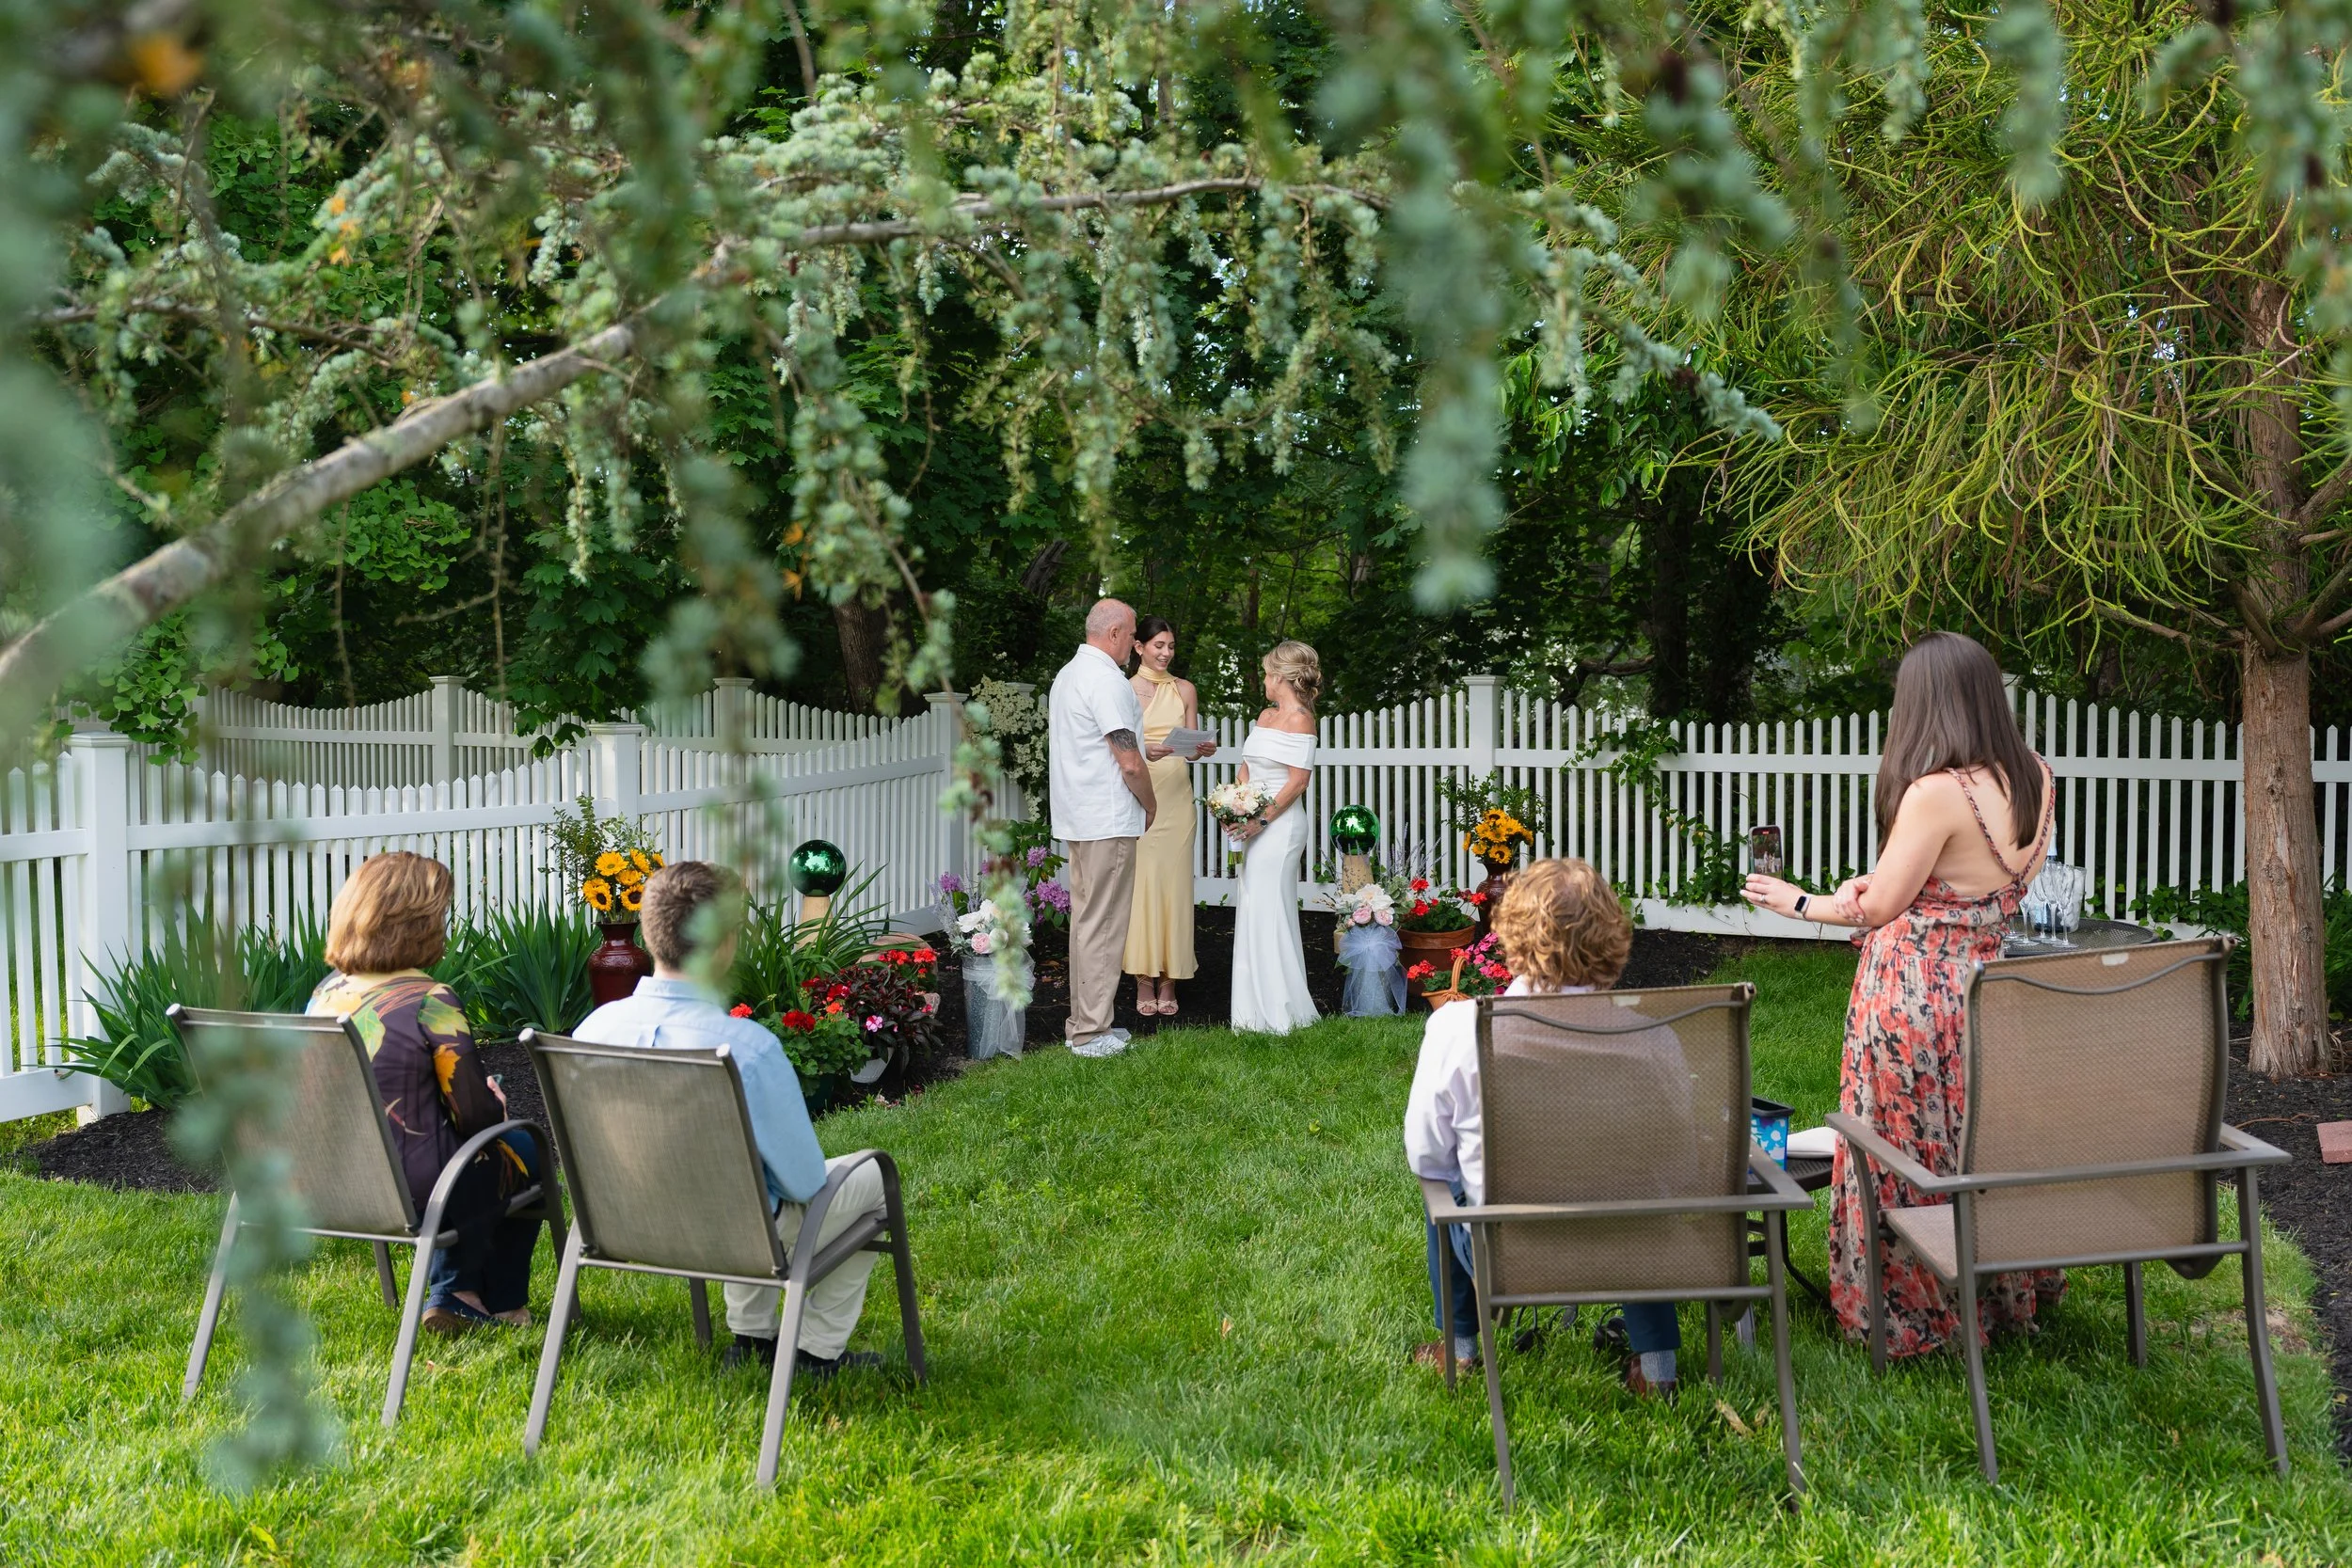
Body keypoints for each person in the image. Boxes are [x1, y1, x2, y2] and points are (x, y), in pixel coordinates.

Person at [1741, 629, 2061, 1358]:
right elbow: (1959, 887)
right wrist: (1880, 887)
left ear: (1924, 704)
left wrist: (1796, 901)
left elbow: (1880, 908)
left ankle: (1913, 1315)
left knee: (1893, 1143)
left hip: (1913, 996)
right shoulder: (2039, 777)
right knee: (1967, 1141)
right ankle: (1995, 1296)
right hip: (1986, 987)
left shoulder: (1936, 790)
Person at [572, 861, 888, 1377]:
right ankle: (813, 1353)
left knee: (739, 1181)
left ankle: (752, 1340)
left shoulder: (593, 1030)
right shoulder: (748, 1048)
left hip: (621, 1224)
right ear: (724, 944)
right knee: (870, 1179)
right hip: (734, 1228)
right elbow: (806, 1182)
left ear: (651, 934)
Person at [1403, 859, 1692, 1395]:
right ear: (1612, 936)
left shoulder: (1456, 1029)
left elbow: (1427, 1158)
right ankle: (1656, 1369)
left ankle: (1463, 1352)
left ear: (1511, 934)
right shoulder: (1653, 1038)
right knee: (1646, 1194)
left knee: (1440, 1190)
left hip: (1508, 1252)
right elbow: (1680, 1161)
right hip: (1631, 1245)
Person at [307, 851, 546, 1336]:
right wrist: (495, 1101)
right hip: (411, 1193)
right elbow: (476, 1117)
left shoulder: (325, 995)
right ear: (420, 925)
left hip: (330, 1180)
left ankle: (457, 1292)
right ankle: (493, 1302)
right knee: (522, 1148)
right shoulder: (431, 1000)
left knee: (455, 1153)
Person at [1048, 598, 1157, 1057]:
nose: (1134, 645)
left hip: (1081, 817)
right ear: (1113, 634)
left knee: (1088, 924)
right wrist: (1150, 806)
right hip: (1108, 819)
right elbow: (1129, 760)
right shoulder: (1107, 679)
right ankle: (1091, 1033)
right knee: (1105, 925)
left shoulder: (1069, 674)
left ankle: (1086, 1023)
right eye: (1132, 635)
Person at [1123, 615, 1215, 1017]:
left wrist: (1202, 749)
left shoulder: (1185, 689)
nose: (1165, 652)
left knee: (1175, 888)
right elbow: (1118, 748)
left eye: (1170, 646)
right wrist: (1147, 750)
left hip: (1177, 797)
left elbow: (1191, 746)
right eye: (1158, 645)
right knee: (1143, 887)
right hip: (1140, 794)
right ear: (1139, 647)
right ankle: (1144, 977)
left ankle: (1170, 979)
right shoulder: (1123, 690)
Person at [1229, 641, 1320, 1034]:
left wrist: (1259, 821)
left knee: (1270, 909)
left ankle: (1282, 1009)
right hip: (1253, 823)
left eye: (1267, 673)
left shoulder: (1301, 719)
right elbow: (1246, 768)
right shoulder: (1264, 716)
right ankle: (1251, 1013)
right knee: (1252, 906)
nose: (1264, 681)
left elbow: (1298, 782)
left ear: (1281, 677)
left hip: (1280, 829)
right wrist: (1234, 803)